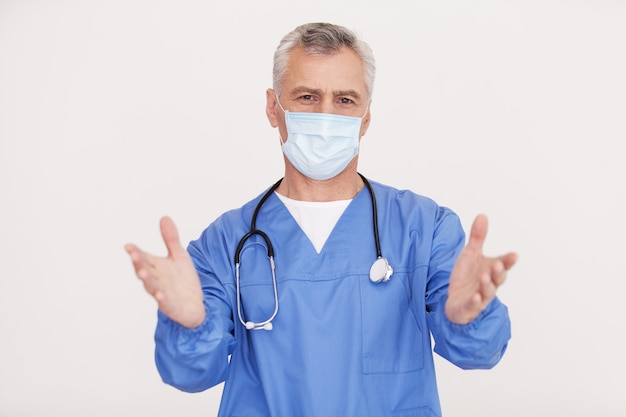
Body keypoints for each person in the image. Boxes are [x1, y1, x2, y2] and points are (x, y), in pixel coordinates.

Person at [125, 22, 518, 417]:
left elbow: (480, 353)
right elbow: (189, 373)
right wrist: (190, 325)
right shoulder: (226, 243)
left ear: (365, 118)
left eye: (345, 100)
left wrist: (471, 317)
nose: (326, 115)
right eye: (308, 96)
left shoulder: (423, 229)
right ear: (272, 107)